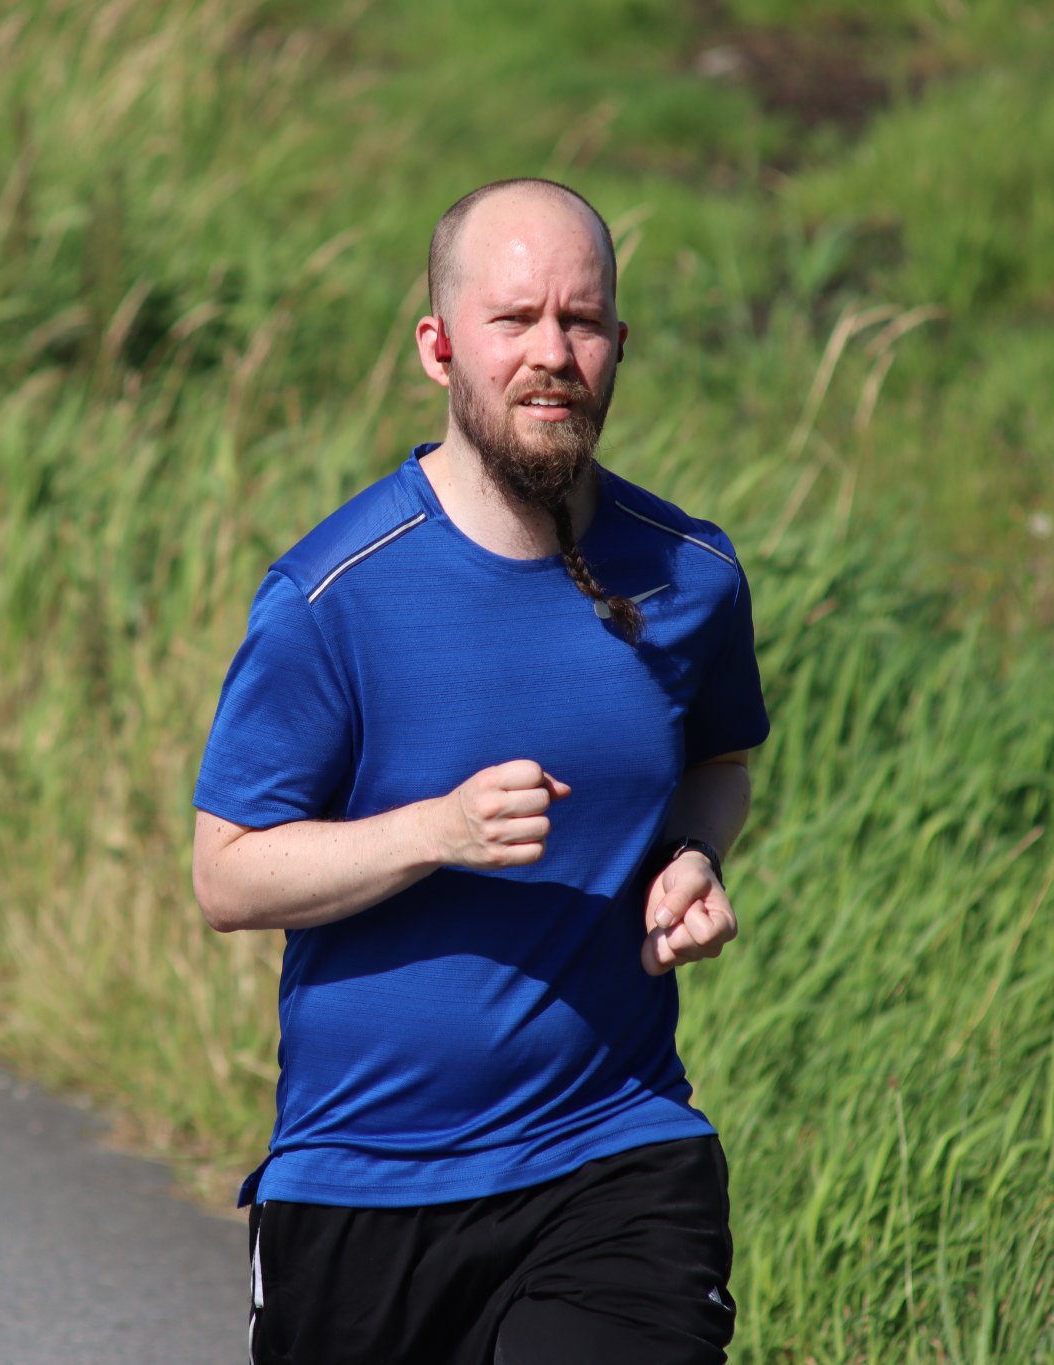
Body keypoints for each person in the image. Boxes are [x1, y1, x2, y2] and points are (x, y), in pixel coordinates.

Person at [191, 178, 770, 1365]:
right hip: (362, 1181)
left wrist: (690, 852)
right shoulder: (331, 595)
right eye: (514, 320)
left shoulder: (690, 575)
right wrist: (433, 833)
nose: (551, 353)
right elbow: (227, 877)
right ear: (438, 346)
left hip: (611, 1150)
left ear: (618, 344)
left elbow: (717, 761)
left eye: (581, 321)